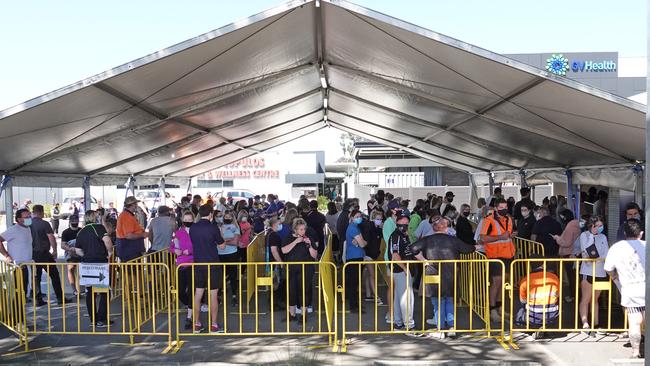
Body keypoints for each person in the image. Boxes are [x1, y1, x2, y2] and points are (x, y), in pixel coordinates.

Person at [411, 215, 475, 337]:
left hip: (433, 272)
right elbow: (467, 249)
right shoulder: (453, 240)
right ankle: (451, 327)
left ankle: (440, 328)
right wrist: (477, 246)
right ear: (446, 228)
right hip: (451, 274)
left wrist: (423, 260)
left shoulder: (427, 239)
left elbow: (412, 248)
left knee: (437, 301)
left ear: (434, 228)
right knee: (450, 300)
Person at [604, 219, 646, 359]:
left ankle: (635, 352)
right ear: (641, 233)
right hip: (646, 286)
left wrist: (615, 276)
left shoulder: (617, 248)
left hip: (630, 289)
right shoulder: (646, 246)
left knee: (634, 322)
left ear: (624, 232)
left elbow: (608, 268)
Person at [72, 210, 113, 328]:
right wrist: (109, 252)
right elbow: (107, 241)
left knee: (90, 292)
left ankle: (93, 320)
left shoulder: (81, 232)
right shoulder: (98, 228)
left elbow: (78, 250)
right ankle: (102, 319)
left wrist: (85, 256)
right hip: (99, 263)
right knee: (105, 291)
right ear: (95, 218)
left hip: (86, 265)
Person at [190, 204, 225, 333]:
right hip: (213, 264)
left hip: (198, 264)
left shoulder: (193, 228)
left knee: (198, 294)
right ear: (211, 214)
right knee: (213, 295)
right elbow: (222, 246)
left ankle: (196, 324)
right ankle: (214, 325)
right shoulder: (213, 228)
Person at [480, 198, 515, 323]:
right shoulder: (488, 220)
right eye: (501, 208)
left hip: (508, 255)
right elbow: (482, 238)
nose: (504, 210)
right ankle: (492, 309)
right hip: (495, 256)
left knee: (503, 282)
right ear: (495, 208)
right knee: (496, 282)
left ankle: (500, 308)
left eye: (505, 207)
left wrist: (512, 235)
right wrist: (500, 236)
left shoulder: (509, 219)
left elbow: (509, 234)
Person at [30, 204, 69, 305]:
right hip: (44, 254)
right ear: (42, 212)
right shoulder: (44, 223)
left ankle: (38, 299)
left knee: (36, 277)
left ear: (33, 212)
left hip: (33, 254)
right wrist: (55, 250)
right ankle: (60, 298)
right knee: (54, 275)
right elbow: (51, 238)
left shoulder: (28, 223)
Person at [281, 218, 318, 320]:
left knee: (304, 291)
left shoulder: (308, 238)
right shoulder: (288, 237)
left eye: (304, 229)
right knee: (291, 291)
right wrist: (295, 242)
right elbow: (284, 250)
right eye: (300, 229)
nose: (303, 231)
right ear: (295, 230)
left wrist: (310, 245)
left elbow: (314, 255)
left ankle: (303, 314)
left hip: (306, 268)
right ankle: (291, 314)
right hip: (292, 269)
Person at [515, 255, 560, 336]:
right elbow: (558, 295)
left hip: (534, 316)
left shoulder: (525, 280)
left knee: (520, 310)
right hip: (552, 315)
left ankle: (534, 328)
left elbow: (522, 301)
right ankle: (547, 326)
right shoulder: (554, 277)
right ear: (543, 264)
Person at [578, 216, 609, 334]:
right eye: (598, 226)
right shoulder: (584, 235)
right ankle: (585, 323)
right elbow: (586, 250)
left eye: (601, 225)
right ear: (592, 226)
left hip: (600, 272)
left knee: (595, 299)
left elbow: (605, 252)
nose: (600, 228)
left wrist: (599, 259)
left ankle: (596, 324)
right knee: (586, 298)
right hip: (587, 272)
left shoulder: (603, 237)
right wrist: (592, 235)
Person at [0, 209, 34, 303]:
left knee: (23, 293)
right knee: (17, 294)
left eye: (29, 216)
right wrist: (7, 255)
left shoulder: (28, 228)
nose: (29, 218)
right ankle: (15, 316)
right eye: (26, 217)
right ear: (19, 219)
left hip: (26, 265)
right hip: (16, 267)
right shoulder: (13, 230)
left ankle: (21, 316)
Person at [388, 212, 415, 330]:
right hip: (400, 270)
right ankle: (409, 324)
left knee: (399, 297)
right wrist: (404, 268)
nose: (405, 224)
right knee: (407, 298)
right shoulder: (396, 236)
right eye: (402, 221)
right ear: (397, 222)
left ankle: (398, 322)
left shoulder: (404, 235)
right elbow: (395, 254)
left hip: (404, 269)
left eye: (406, 222)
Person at [171, 211, 195, 330]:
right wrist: (174, 250)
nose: (188, 221)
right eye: (186, 219)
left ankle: (189, 317)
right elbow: (172, 245)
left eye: (190, 219)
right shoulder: (178, 233)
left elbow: (200, 246)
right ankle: (192, 305)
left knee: (191, 290)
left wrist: (190, 251)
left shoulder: (196, 232)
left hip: (192, 263)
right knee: (180, 291)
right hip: (180, 264)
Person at [552, 209, 582, 302]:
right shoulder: (577, 225)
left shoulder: (569, 227)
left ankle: (574, 296)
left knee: (571, 277)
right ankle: (577, 295)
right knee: (576, 276)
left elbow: (567, 243)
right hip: (576, 254)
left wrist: (558, 239)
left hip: (569, 254)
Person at [345, 209, 367, 313]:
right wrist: (361, 242)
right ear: (352, 218)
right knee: (354, 283)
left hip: (357, 256)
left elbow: (362, 242)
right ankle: (353, 306)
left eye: (360, 216)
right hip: (354, 258)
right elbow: (363, 244)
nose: (359, 218)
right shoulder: (353, 228)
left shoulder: (355, 227)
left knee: (355, 282)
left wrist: (361, 242)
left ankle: (355, 304)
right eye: (357, 216)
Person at [218, 211, 241, 307]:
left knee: (232, 275)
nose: (227, 218)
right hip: (220, 254)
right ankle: (219, 295)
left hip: (232, 254)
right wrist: (227, 240)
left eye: (229, 217)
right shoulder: (219, 228)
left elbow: (235, 242)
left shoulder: (236, 228)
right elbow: (216, 240)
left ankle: (234, 296)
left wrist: (223, 241)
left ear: (232, 218)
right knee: (220, 276)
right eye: (225, 217)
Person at [361, 210, 383, 304]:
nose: (380, 221)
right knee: (372, 275)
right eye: (378, 219)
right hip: (368, 254)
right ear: (373, 218)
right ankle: (376, 296)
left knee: (368, 274)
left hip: (373, 254)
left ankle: (369, 294)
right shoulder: (369, 227)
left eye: (381, 219)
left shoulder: (377, 228)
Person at [116, 196, 147, 262]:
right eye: (136, 204)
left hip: (130, 249)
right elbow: (129, 235)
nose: (137, 205)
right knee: (131, 270)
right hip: (129, 250)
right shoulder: (126, 216)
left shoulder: (128, 215)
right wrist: (142, 234)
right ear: (132, 205)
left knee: (131, 269)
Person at [61, 214, 82, 296]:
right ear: (70, 221)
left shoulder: (82, 230)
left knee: (84, 270)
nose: (74, 222)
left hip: (81, 253)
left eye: (76, 220)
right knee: (71, 269)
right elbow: (63, 245)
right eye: (72, 220)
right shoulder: (65, 232)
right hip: (70, 254)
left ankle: (86, 288)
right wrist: (70, 250)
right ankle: (74, 290)